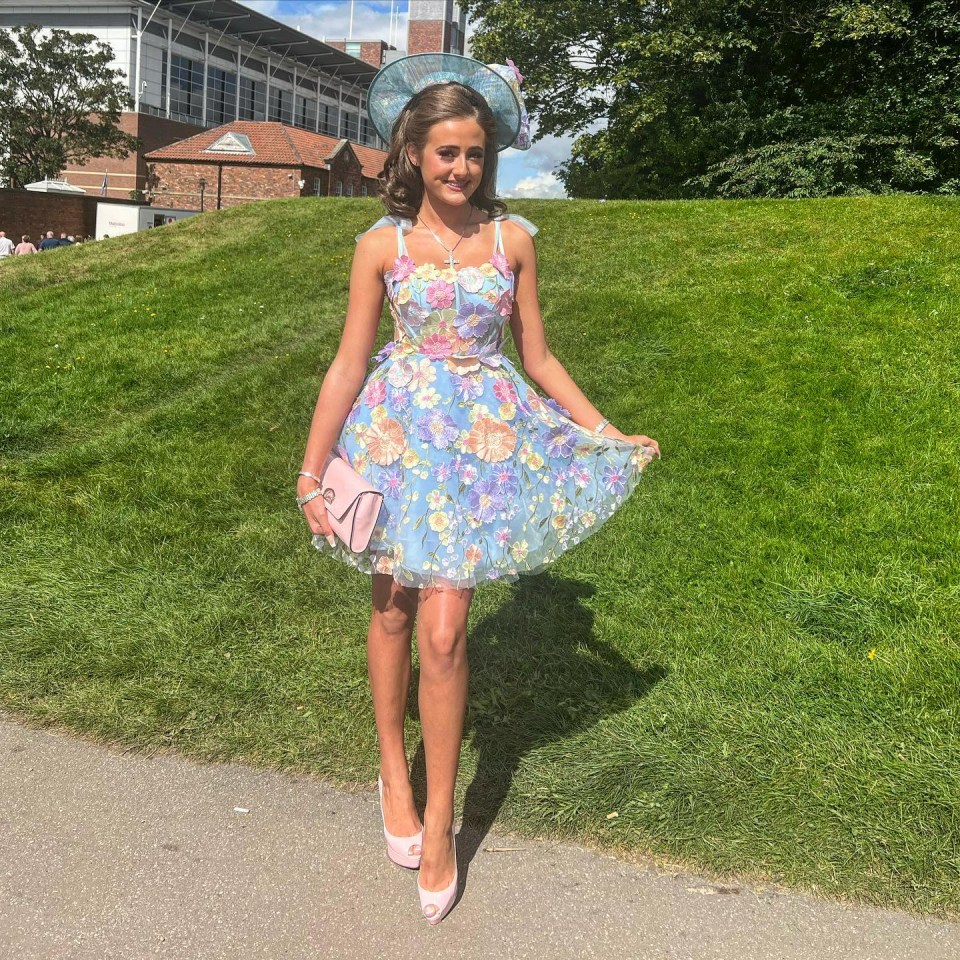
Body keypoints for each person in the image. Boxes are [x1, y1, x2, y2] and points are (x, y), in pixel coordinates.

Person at [296, 53, 661, 927]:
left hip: (482, 447)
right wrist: (312, 469)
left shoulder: (514, 241)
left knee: (447, 628)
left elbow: (537, 355)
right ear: (412, 154)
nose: (461, 169)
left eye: (475, 154)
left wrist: (604, 430)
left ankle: (442, 825)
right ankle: (394, 770)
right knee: (389, 610)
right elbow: (350, 362)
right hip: (392, 438)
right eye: (446, 153)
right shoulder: (378, 246)